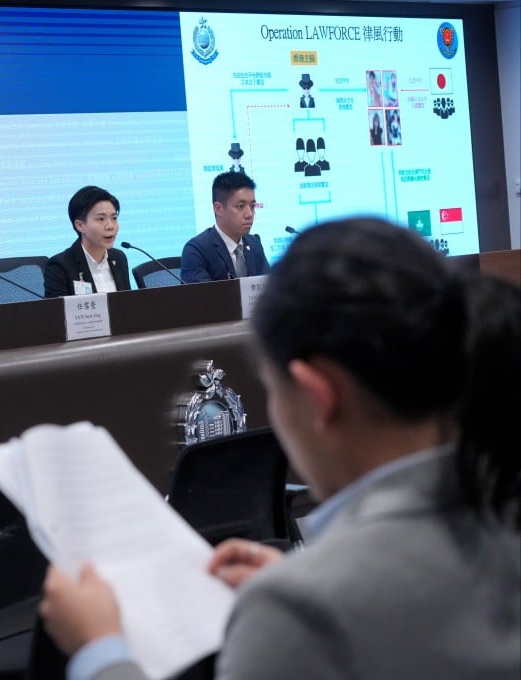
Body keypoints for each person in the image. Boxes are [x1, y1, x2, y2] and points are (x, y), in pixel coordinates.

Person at [39, 217, 521, 680]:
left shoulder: (303, 612)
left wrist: (99, 650)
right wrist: (301, 580)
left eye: (272, 388)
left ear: (317, 396)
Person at [180, 172, 270, 283]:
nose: (249, 214)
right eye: (240, 206)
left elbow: (270, 291)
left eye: (252, 206)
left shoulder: (254, 244)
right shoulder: (196, 251)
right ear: (218, 209)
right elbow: (201, 299)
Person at [44, 186, 131, 298]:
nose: (110, 226)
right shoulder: (60, 266)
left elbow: (127, 306)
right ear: (80, 226)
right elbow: (57, 314)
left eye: (114, 218)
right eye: (101, 219)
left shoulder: (119, 258)